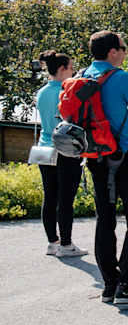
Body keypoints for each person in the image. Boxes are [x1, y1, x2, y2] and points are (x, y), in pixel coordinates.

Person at [83, 31, 128, 305]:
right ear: (113, 51)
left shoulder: (83, 76)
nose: (125, 53)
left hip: (95, 155)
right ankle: (127, 284)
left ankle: (109, 286)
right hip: (124, 155)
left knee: (105, 218)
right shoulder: (121, 77)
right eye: (123, 48)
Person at [34, 50, 88, 258]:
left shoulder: (41, 92)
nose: (74, 71)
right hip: (65, 148)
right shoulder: (67, 92)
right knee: (66, 199)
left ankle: (52, 242)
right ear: (63, 69)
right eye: (72, 68)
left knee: (49, 197)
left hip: (45, 147)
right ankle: (66, 244)